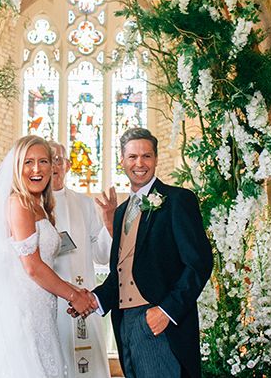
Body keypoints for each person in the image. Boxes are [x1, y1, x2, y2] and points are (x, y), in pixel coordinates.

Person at [0, 135, 97, 378]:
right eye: (28, 162)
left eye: (43, 161)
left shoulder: (39, 205)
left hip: (41, 311)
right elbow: (32, 267)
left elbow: (42, 265)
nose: (37, 169)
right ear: (17, 167)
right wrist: (73, 296)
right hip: (22, 312)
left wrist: (78, 294)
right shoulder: (19, 203)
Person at [86, 127, 213, 378]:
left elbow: (199, 263)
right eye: (132, 157)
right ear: (122, 161)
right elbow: (120, 272)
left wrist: (165, 311)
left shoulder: (178, 200)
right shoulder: (122, 211)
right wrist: (94, 300)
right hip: (125, 323)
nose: (139, 163)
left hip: (157, 323)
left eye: (146, 156)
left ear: (155, 159)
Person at [51, 141, 116, 378]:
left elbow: (102, 254)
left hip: (82, 297)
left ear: (68, 165)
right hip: (47, 298)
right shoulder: (31, 203)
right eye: (48, 159)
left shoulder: (84, 203)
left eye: (59, 159)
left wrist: (109, 225)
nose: (54, 165)